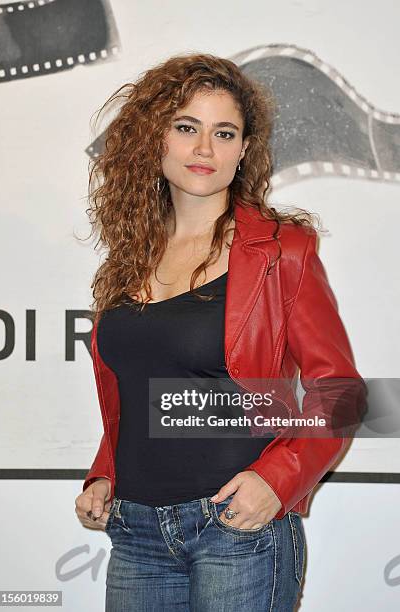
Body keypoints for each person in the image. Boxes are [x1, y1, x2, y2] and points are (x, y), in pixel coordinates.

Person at [75, 52, 366, 611]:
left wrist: (277, 481)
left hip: (237, 530)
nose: (204, 148)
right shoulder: (130, 257)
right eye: (187, 127)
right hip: (135, 532)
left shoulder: (282, 251)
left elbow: (341, 393)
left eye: (224, 132)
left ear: (244, 150)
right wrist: (105, 474)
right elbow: (136, 398)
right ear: (155, 139)